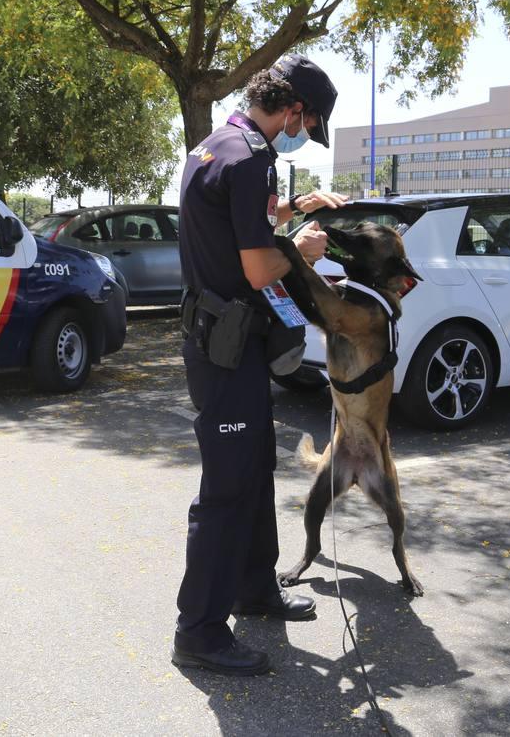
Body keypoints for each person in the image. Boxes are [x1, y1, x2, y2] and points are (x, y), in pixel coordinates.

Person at [171, 54, 347, 676]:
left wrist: (294, 207)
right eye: (307, 122)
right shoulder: (252, 158)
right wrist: (299, 251)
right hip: (226, 346)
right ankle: (198, 632)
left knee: (254, 469)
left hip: (224, 339)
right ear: (294, 109)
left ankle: (254, 589)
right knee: (225, 488)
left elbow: (235, 223)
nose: (303, 132)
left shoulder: (216, 145)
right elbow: (256, 267)